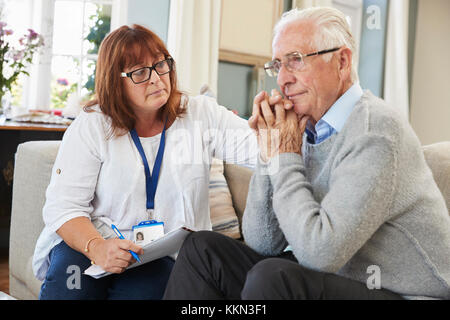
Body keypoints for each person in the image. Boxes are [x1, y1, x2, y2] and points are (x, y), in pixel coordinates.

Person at [163, 7, 450, 300]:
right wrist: (269, 149)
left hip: (404, 292)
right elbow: (263, 242)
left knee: (272, 278)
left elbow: (320, 254)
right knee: (203, 250)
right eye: (277, 65)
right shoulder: (303, 128)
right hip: (338, 278)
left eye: (296, 61)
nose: (282, 79)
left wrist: (284, 156)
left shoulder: (375, 129)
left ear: (342, 61)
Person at [33, 24, 257, 300]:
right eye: (140, 72)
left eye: (161, 64)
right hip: (93, 241)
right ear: (115, 81)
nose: (156, 78)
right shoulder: (92, 125)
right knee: (70, 290)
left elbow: (264, 149)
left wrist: (284, 124)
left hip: (160, 255)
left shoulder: (200, 115)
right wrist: (97, 247)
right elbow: (63, 207)